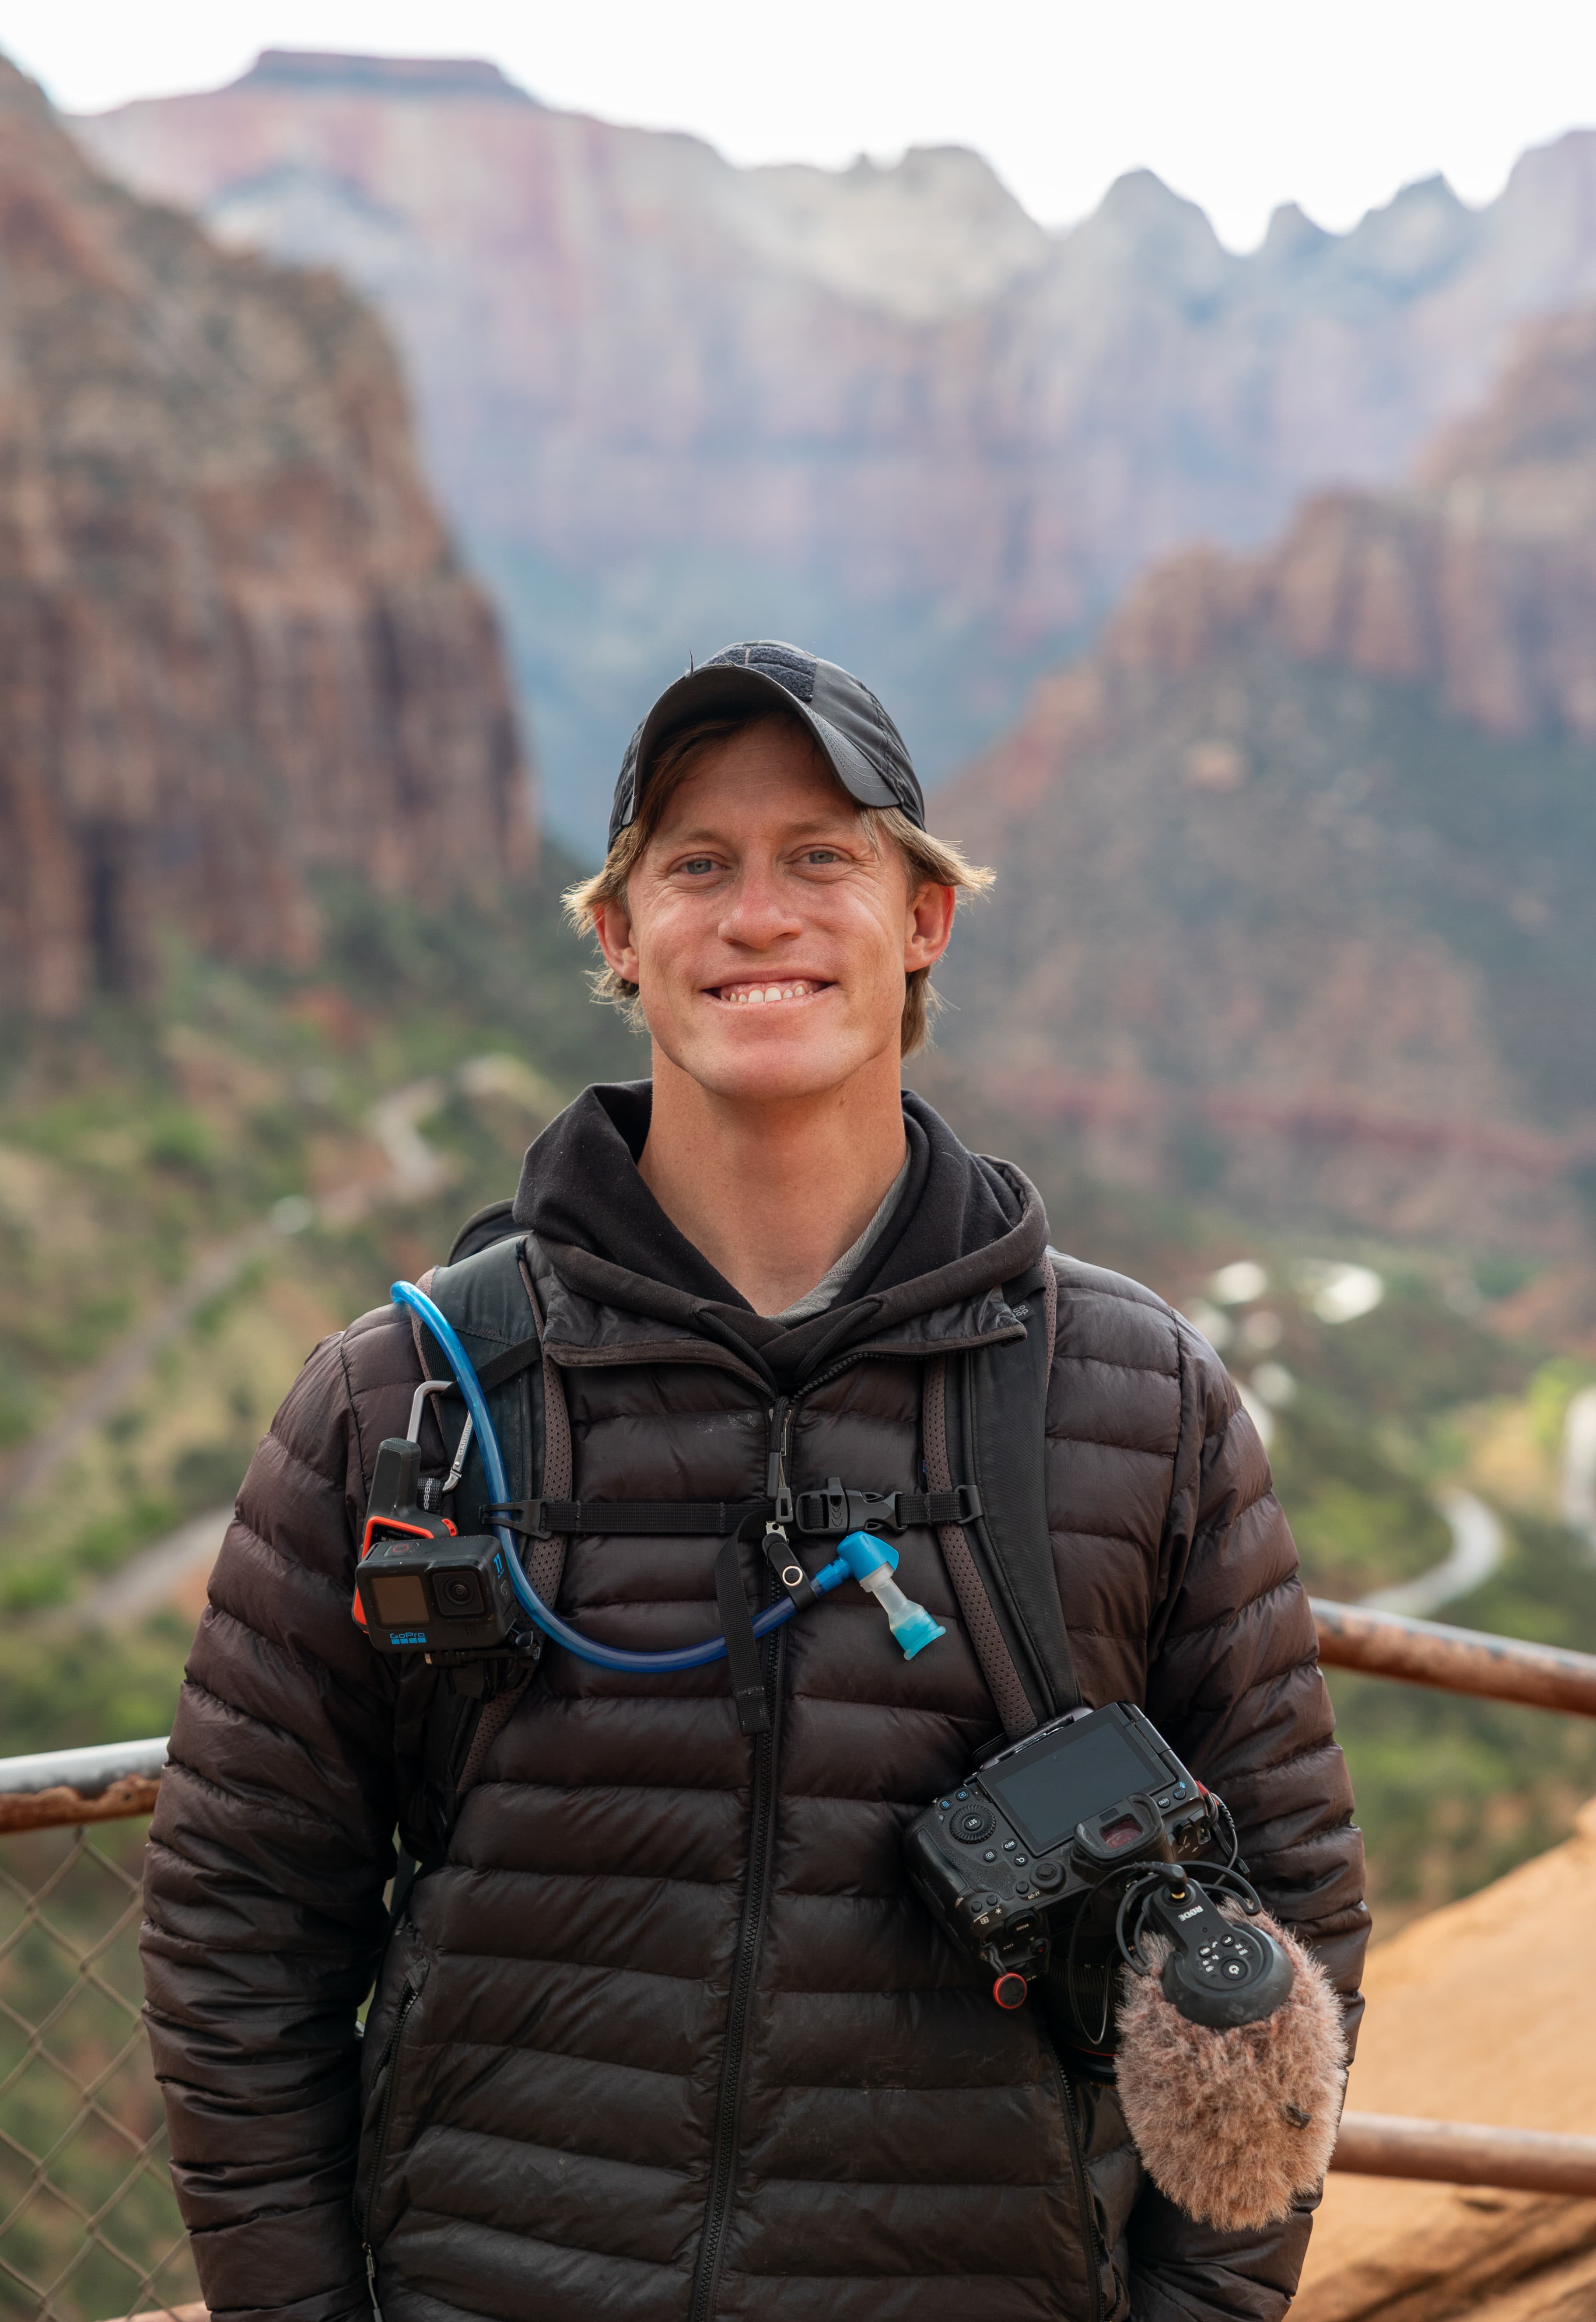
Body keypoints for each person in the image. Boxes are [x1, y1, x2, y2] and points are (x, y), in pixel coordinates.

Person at [142, 640, 1367, 2322]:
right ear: (618, 938)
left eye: (824, 859)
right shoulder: (407, 1397)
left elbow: (1284, 1917)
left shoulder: (1139, 1399)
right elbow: (242, 1931)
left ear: (922, 921)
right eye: (696, 867)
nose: (759, 917)